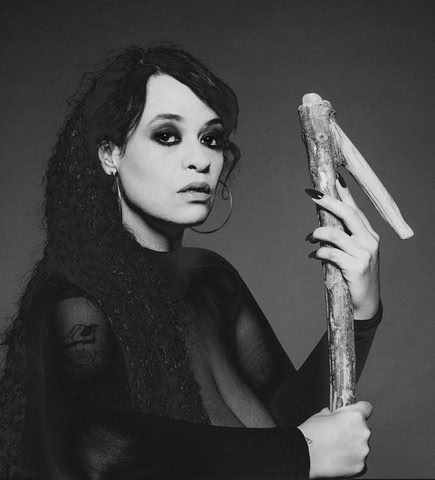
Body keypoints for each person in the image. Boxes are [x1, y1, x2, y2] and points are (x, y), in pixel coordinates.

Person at [0, 44, 383, 479]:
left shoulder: (209, 279)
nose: (200, 160)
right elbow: (98, 447)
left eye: (211, 138)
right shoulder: (74, 298)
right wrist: (302, 455)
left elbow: (285, 422)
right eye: (167, 135)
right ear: (110, 154)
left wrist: (359, 314)